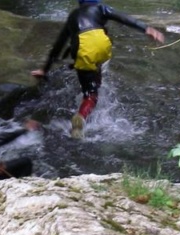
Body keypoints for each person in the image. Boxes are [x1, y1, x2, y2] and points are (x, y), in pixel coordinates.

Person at [30, 0, 165, 139]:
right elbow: (123, 17)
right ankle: (94, 86)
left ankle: (80, 117)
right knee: (98, 61)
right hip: (101, 45)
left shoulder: (72, 16)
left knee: (89, 94)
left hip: (82, 49)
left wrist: (44, 70)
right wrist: (146, 28)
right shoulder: (100, 7)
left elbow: (58, 45)